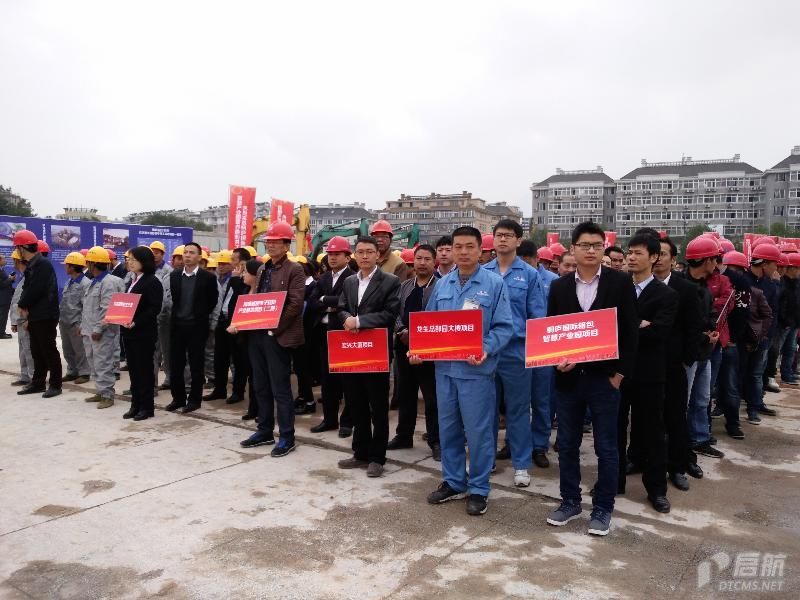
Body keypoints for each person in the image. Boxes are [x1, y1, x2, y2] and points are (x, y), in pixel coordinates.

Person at [545, 222, 638, 537]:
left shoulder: (620, 283)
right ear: (572, 249)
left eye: (597, 245)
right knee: (567, 444)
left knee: (607, 447)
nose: (590, 250)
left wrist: (619, 375)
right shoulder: (559, 287)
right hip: (569, 381)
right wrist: (557, 361)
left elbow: (630, 333)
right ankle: (570, 501)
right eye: (584, 245)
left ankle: (603, 508)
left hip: (604, 380)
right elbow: (553, 331)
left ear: (603, 248)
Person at [421, 226, 513, 516]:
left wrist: (486, 347)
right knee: (448, 430)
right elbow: (430, 325)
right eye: (457, 247)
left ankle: (479, 488)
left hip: (476, 372)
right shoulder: (443, 285)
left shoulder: (494, 284)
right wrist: (419, 348)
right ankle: (453, 481)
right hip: (445, 371)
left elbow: (504, 326)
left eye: (469, 246)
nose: (463, 252)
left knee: (478, 433)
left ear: (480, 250)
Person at [617, 233, 677, 513]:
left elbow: (660, 332)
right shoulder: (618, 288)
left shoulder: (666, 294)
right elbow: (609, 327)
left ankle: (656, 490)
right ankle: (614, 481)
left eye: (638, 253)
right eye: (629, 252)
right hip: (618, 372)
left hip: (650, 374)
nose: (631, 257)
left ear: (654, 257)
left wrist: (631, 327)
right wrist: (639, 325)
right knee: (614, 430)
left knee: (653, 433)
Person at [484, 220, 546, 487]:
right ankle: (485, 460)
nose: (503, 240)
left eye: (508, 236)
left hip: (516, 352)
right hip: (487, 351)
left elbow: (537, 316)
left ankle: (521, 465)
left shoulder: (530, 275)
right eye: (499, 235)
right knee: (485, 410)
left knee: (518, 411)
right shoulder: (482, 272)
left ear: (519, 241)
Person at [336, 235, 401, 477]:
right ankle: (360, 452)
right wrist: (346, 319)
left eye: (369, 252)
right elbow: (342, 307)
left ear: (377, 255)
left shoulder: (390, 281)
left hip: (376, 352)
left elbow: (391, 313)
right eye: (360, 252)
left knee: (378, 406)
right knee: (356, 403)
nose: (364, 256)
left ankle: (377, 457)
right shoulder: (349, 281)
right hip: (352, 351)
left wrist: (360, 321)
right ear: (355, 255)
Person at [239, 222, 305, 457]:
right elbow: (257, 298)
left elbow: (295, 304)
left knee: (280, 389)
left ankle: (287, 436)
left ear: (287, 245)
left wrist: (275, 329)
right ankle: (264, 430)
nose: (271, 245)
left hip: (278, 336)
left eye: (277, 242)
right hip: (257, 334)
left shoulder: (294, 269)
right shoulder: (263, 269)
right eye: (269, 241)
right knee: (260, 385)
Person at [653, 236, 705, 488]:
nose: (658, 259)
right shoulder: (637, 286)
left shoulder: (686, 289)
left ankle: (676, 467)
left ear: (673, 260)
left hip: (674, 364)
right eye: (655, 254)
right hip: (645, 364)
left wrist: (687, 359)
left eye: (663, 254)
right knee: (645, 417)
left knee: (675, 417)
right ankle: (639, 458)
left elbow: (694, 327)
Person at [389, 244, 440, 459]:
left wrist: (420, 335)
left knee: (432, 398)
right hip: (404, 347)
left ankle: (436, 440)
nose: (422, 263)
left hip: (430, 350)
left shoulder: (441, 286)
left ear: (434, 262)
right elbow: (394, 312)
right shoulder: (404, 286)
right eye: (419, 258)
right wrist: (401, 330)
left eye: (427, 259)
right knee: (405, 394)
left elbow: (442, 317)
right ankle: (404, 435)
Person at [307, 236, 356, 436]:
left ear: (347, 257)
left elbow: (348, 302)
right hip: (323, 333)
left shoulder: (353, 278)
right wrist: (330, 303)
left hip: (344, 334)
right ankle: (329, 420)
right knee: (327, 380)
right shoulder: (324, 278)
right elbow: (312, 301)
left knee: (347, 381)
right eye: (330, 254)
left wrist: (325, 300)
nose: (332, 258)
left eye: (337, 254)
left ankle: (347, 422)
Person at [682, 236, 724, 460]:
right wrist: (701, 336)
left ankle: (699, 438)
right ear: (707, 260)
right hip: (687, 355)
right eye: (715, 259)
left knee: (702, 399)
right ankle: (680, 442)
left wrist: (712, 329)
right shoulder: (680, 286)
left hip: (704, 354)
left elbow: (710, 314)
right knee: (683, 400)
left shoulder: (704, 287)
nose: (716, 264)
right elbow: (679, 324)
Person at [165, 242, 219, 414]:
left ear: (199, 257)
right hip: (177, 326)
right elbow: (174, 299)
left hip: (196, 327)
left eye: (191, 252)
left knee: (196, 365)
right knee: (176, 364)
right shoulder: (174, 276)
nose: (187, 255)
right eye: (185, 252)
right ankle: (178, 398)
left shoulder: (208, 278)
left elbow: (212, 301)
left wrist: (200, 315)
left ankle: (194, 400)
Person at [14, 230, 62, 398]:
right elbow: (27, 287)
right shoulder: (32, 265)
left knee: (48, 350)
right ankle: (38, 382)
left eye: (17, 248)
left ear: (23, 248)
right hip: (36, 315)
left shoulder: (42, 264)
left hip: (46, 314)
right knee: (36, 351)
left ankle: (55, 385)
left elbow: (36, 288)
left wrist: (22, 304)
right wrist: (26, 309)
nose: (17, 251)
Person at [120, 246, 164, 421]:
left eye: (134, 259)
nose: (130, 262)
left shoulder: (152, 281)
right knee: (134, 371)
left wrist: (136, 321)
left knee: (144, 371)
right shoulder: (132, 280)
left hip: (143, 333)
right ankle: (135, 404)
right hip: (129, 332)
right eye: (128, 259)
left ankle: (146, 407)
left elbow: (154, 308)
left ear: (144, 261)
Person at [205, 248, 250, 404]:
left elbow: (241, 297)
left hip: (236, 324)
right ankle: (219, 389)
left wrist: (237, 279)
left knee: (238, 360)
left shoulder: (247, 278)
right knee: (220, 358)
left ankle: (238, 391)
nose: (231, 262)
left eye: (233, 259)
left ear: (242, 262)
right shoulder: (229, 278)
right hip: (223, 321)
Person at [81, 246, 124, 409]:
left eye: (88, 263)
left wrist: (99, 328)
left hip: (102, 332)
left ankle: (107, 395)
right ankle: (100, 390)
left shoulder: (109, 282)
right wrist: (83, 326)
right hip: (90, 330)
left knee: (103, 363)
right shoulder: (94, 282)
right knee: (94, 362)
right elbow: (88, 307)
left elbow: (107, 308)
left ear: (93, 264)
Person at [744, 242, 781, 423]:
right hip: (743, 337)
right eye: (774, 264)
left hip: (762, 338)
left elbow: (772, 314)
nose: (776, 269)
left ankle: (755, 406)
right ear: (764, 263)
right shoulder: (743, 281)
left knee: (756, 373)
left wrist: (765, 336)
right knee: (738, 372)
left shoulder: (771, 286)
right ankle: (724, 405)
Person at [59, 252, 91, 385]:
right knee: (67, 349)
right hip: (65, 321)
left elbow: (87, 306)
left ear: (73, 266)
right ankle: (72, 371)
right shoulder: (70, 281)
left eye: (67, 265)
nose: (65, 267)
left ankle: (84, 373)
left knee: (80, 350)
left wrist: (82, 324)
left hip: (76, 323)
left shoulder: (86, 283)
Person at [10, 249, 34, 386]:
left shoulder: (29, 278)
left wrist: (28, 319)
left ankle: (33, 377)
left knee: (29, 351)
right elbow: (16, 302)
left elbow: (32, 301)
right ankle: (25, 376)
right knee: (23, 351)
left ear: (18, 260)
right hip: (20, 321)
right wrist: (14, 321)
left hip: (25, 321)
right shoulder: (23, 277)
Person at [152, 242, 174, 391]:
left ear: (163, 254)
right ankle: (152, 384)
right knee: (153, 352)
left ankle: (169, 378)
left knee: (166, 350)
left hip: (164, 317)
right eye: (152, 252)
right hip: (152, 317)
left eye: (157, 252)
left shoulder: (168, 271)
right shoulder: (148, 269)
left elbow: (167, 297)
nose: (154, 255)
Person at [0, 254, 14, 338]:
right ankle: (1, 333)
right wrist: (10, 279)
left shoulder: (1, 270)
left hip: (4, 297)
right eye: (3, 259)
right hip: (2, 297)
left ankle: (2, 331)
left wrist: (10, 279)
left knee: (3, 315)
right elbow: (1, 284)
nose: (5, 261)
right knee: (2, 316)